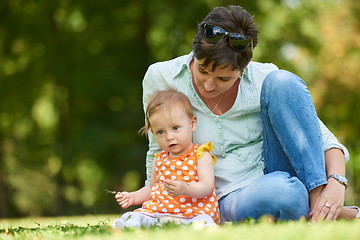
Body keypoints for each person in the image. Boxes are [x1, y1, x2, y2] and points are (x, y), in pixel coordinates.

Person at [138, 5, 359, 222]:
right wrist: (153, 206)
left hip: (270, 172)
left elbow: (321, 139)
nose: (208, 85)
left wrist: (336, 183)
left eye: (223, 78)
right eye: (202, 70)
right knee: (283, 194)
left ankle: (317, 198)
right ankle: (323, 211)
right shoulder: (161, 77)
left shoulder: (263, 78)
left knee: (283, 80)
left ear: (245, 67)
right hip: (220, 196)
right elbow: (158, 150)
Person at [113, 90, 220, 228]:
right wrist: (133, 197)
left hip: (192, 213)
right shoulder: (159, 159)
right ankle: (137, 224)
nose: (169, 137)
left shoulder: (200, 154)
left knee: (203, 223)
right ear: (153, 133)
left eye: (175, 128)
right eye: (161, 132)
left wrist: (185, 189)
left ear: (192, 123)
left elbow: (207, 186)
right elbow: (152, 188)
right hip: (158, 213)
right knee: (132, 217)